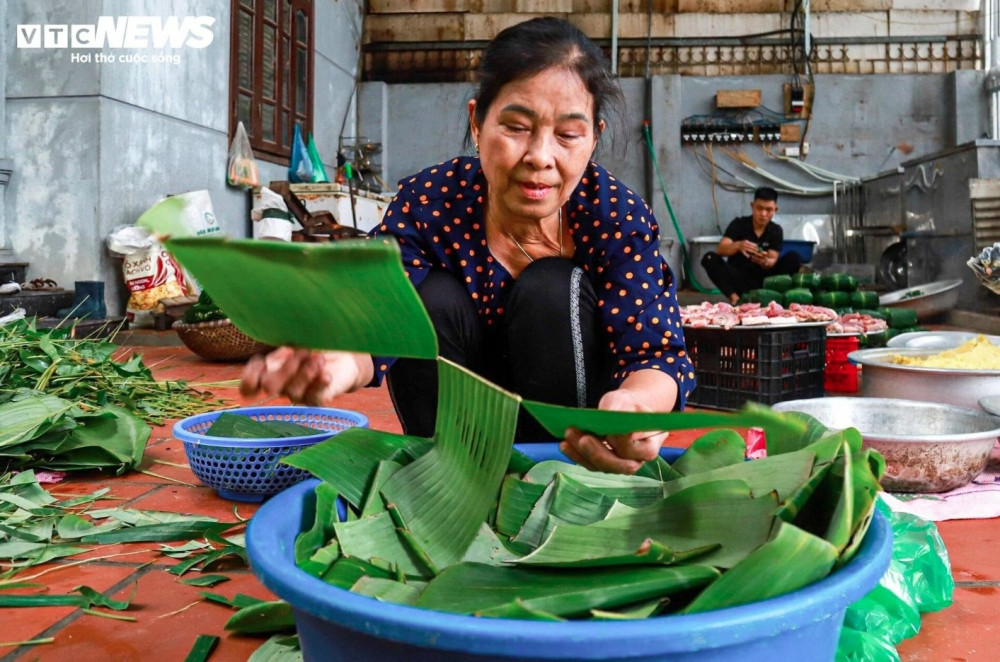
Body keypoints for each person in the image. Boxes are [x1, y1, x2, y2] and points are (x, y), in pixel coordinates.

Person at [240, 17, 696, 475]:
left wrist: (636, 406)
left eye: (567, 135)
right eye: (516, 126)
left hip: (571, 447)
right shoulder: (430, 202)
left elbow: (654, 353)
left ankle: (551, 477)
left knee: (551, 286)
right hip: (458, 434)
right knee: (430, 297)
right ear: (477, 123)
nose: (540, 156)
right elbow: (381, 307)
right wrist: (339, 360)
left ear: (593, 138)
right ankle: (445, 477)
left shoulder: (615, 215)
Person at [700, 186, 803, 304]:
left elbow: (772, 258)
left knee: (794, 258)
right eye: (759, 208)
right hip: (739, 277)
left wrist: (765, 262)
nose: (763, 214)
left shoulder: (776, 230)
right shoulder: (738, 224)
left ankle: (771, 298)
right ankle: (735, 299)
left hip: (764, 280)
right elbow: (721, 249)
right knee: (709, 258)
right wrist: (739, 245)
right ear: (752, 206)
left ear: (775, 210)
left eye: (769, 210)